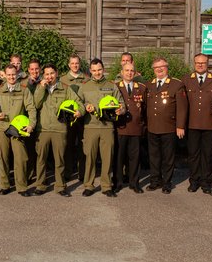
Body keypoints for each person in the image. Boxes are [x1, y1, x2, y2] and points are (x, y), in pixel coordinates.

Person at [34, 63, 83, 197]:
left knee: (59, 160)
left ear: (56, 73)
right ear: (43, 76)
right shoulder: (40, 87)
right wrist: (41, 88)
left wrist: (80, 111)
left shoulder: (65, 89)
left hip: (59, 129)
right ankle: (40, 185)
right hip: (43, 129)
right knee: (41, 159)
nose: (49, 76)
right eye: (47, 74)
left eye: (52, 73)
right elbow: (36, 104)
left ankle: (60, 186)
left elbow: (78, 102)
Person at [79, 58, 123, 197]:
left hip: (107, 126)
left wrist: (120, 110)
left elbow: (121, 103)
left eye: (99, 70)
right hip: (90, 126)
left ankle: (106, 186)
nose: (97, 73)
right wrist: (85, 106)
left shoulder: (112, 86)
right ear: (90, 71)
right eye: (94, 70)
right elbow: (78, 102)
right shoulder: (84, 86)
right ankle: (89, 185)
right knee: (90, 157)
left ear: (103, 69)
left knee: (107, 157)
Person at [181, 53, 212, 194]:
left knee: (208, 154)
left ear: (207, 63)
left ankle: (206, 182)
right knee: (193, 154)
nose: (200, 65)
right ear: (194, 63)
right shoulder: (186, 80)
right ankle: (194, 181)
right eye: (197, 63)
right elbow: (182, 105)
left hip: (210, 123)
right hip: (192, 123)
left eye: (203, 63)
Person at [145, 57, 188, 194]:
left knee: (168, 157)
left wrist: (180, 126)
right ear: (153, 70)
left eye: (162, 66)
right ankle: (155, 181)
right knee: (154, 156)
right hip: (152, 127)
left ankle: (167, 182)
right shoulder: (149, 85)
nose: (159, 69)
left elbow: (182, 108)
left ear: (166, 67)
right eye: (156, 67)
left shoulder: (176, 85)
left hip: (168, 127)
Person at [0, 64, 37, 196]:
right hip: (2, 128)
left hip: (17, 130)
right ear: (5, 75)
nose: (11, 77)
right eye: (9, 75)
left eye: (13, 74)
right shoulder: (0, 90)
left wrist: (31, 125)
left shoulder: (24, 90)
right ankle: (4, 185)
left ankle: (22, 187)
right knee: (3, 157)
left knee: (20, 158)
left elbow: (31, 108)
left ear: (17, 75)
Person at [115, 62, 147, 194]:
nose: (129, 73)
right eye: (126, 70)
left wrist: (143, 126)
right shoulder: (116, 87)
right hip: (120, 128)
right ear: (122, 72)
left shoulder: (141, 88)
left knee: (135, 157)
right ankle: (118, 183)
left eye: (131, 71)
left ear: (135, 73)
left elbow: (144, 109)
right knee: (119, 157)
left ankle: (135, 183)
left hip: (135, 128)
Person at [60, 54, 88, 182]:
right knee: (68, 145)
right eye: (72, 63)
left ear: (79, 64)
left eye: (77, 63)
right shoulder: (62, 80)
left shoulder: (87, 79)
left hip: (83, 117)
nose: (75, 65)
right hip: (69, 118)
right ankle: (68, 172)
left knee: (83, 145)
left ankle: (82, 173)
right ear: (68, 65)